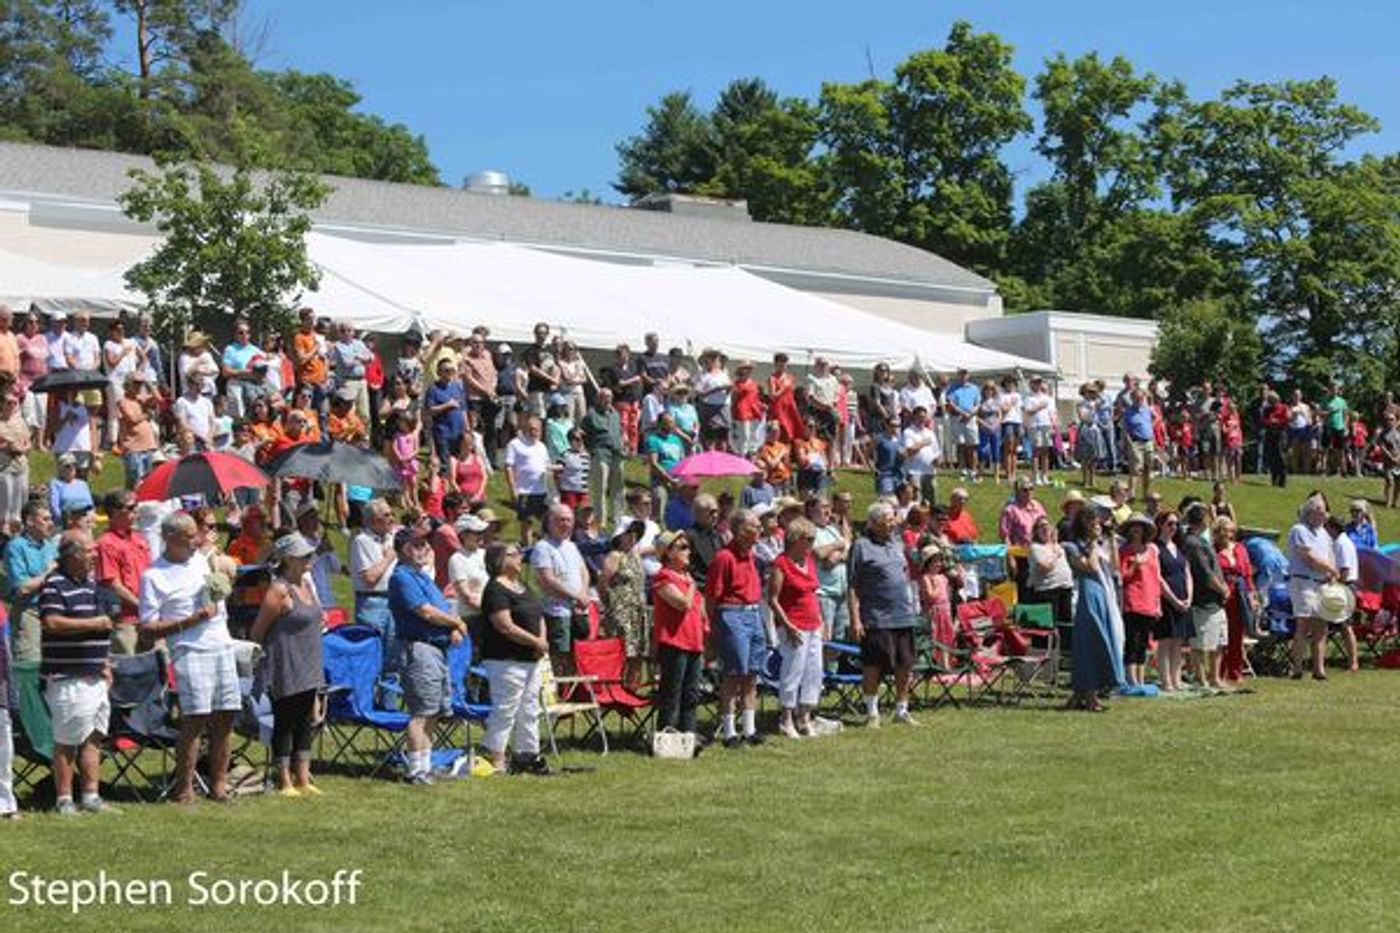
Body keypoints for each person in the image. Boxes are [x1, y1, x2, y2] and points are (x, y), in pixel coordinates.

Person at [139, 512, 239, 804]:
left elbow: (221, 574)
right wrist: (190, 621)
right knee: (194, 720)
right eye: (189, 537)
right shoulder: (154, 576)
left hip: (221, 642)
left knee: (226, 717)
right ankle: (184, 789)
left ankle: (219, 786)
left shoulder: (200, 560)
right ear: (170, 539)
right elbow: (146, 629)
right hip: (189, 650)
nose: (196, 542)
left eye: (197, 535)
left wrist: (221, 580)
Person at [38, 530, 113, 815]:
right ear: (72, 555)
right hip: (67, 676)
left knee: (94, 735)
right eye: (89, 551)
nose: (95, 555)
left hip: (95, 675)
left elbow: (103, 628)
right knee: (67, 740)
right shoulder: (54, 584)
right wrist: (94, 624)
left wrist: (105, 663)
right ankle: (64, 798)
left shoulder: (91, 584)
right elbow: (52, 622)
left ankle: (91, 795)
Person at [249, 534, 325, 797]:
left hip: (309, 659)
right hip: (285, 662)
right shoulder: (279, 590)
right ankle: (284, 779)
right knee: (285, 719)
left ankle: (303, 777)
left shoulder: (306, 584)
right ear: (289, 559)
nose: (309, 559)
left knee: (306, 720)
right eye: (304, 556)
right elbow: (258, 631)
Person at [848, 501, 920, 727]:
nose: (893, 525)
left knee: (905, 664)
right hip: (876, 616)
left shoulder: (897, 544)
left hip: (903, 614)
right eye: (888, 521)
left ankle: (901, 710)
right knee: (874, 664)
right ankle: (872, 713)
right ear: (875, 523)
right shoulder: (861, 546)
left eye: (893, 520)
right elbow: (852, 585)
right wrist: (855, 618)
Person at [479, 542, 549, 774]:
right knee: (506, 708)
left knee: (530, 708)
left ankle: (527, 755)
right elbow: (505, 626)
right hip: (505, 660)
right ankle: (496, 756)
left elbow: (538, 614)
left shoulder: (521, 585)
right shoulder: (495, 590)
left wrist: (542, 641)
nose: (520, 557)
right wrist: (535, 641)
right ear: (500, 560)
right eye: (514, 554)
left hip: (531, 659)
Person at [705, 509, 767, 747]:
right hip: (732, 613)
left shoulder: (750, 555)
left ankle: (749, 729)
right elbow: (713, 596)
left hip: (753, 612)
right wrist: (712, 627)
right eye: (756, 527)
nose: (760, 531)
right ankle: (730, 731)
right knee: (733, 673)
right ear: (742, 531)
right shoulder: (724, 557)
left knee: (751, 673)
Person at [1062, 507, 1124, 710]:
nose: (1098, 526)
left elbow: (1115, 568)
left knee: (1103, 640)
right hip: (1087, 594)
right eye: (1094, 523)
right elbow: (1089, 566)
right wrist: (1093, 546)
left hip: (1104, 594)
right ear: (1084, 524)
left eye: (1099, 523)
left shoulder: (1099, 545)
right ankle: (1089, 697)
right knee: (1090, 642)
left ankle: (1081, 696)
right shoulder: (1073, 546)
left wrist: (1112, 539)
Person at [767, 517, 823, 739]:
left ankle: (805, 716)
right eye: (808, 539)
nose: (811, 543)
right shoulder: (781, 563)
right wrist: (788, 625)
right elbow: (772, 598)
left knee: (814, 670)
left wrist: (822, 621)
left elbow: (813, 592)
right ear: (796, 539)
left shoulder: (808, 561)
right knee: (793, 671)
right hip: (793, 624)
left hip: (813, 623)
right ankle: (786, 718)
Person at [651, 531, 707, 735]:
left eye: (687, 546)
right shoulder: (663, 577)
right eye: (682, 547)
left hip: (693, 642)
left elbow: (699, 610)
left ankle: (688, 736)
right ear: (668, 553)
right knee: (672, 693)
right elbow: (683, 604)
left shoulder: (686, 577)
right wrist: (692, 585)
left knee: (691, 694)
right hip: (674, 642)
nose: (688, 551)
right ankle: (666, 736)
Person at [530, 505, 590, 675]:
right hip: (557, 610)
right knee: (559, 653)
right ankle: (556, 689)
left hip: (578, 609)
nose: (566, 524)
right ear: (549, 522)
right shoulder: (543, 547)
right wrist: (575, 596)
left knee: (574, 652)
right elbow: (547, 579)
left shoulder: (571, 546)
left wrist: (583, 594)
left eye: (569, 520)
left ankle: (571, 690)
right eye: (561, 520)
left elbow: (583, 570)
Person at [94, 490, 150, 656]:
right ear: (115, 511)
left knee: (159, 668)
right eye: (131, 508)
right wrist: (141, 605)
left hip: (149, 617)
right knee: (130, 671)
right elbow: (112, 584)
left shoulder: (139, 538)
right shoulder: (106, 543)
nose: (136, 512)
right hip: (126, 621)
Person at [1287, 494, 1337, 680]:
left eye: (1324, 513)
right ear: (1310, 513)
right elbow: (1309, 558)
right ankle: (1297, 668)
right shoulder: (1299, 530)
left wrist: (1332, 573)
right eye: (1321, 513)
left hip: (1321, 583)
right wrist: (1330, 569)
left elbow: (1330, 554)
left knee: (1321, 626)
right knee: (1303, 624)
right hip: (1303, 581)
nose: (1325, 517)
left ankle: (1319, 668)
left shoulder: (1324, 533)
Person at [1181, 503, 1229, 691]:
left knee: (1218, 642)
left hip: (1215, 601)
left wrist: (1223, 588)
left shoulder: (1202, 541)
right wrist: (1222, 589)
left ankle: (1215, 678)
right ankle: (1201, 679)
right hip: (1203, 601)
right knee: (1200, 644)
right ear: (1204, 519)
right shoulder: (1193, 542)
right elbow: (1204, 574)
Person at [599, 521, 648, 684]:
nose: (632, 537)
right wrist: (612, 606)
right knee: (621, 652)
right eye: (629, 533)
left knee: (637, 655)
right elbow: (603, 584)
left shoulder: (636, 556)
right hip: (620, 613)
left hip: (638, 612)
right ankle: (615, 687)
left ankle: (631, 689)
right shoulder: (614, 556)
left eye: (635, 534)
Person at [1118, 514, 1162, 688]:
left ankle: (1141, 679)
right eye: (1133, 526)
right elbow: (1122, 578)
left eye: (1140, 526)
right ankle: (1131, 679)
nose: (1136, 529)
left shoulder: (1151, 550)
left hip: (1150, 601)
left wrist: (1158, 603)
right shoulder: (1124, 551)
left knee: (1144, 642)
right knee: (1132, 641)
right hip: (1132, 601)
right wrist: (1134, 566)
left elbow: (1156, 577)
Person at [1214, 517, 1256, 686]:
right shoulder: (1214, 550)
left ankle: (1235, 672)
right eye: (1225, 532)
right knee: (1222, 636)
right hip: (1222, 594)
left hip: (1239, 594)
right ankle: (1219, 672)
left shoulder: (1240, 549)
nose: (1229, 535)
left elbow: (1247, 574)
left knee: (1237, 635)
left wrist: (1252, 595)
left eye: (1231, 531)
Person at [349, 499, 396, 648]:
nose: (392, 518)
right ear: (374, 520)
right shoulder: (362, 541)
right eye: (387, 515)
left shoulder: (391, 539)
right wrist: (388, 558)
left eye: (392, 514)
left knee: (392, 650)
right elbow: (369, 578)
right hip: (372, 603)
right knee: (372, 648)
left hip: (394, 600)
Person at [580, 387, 625, 530]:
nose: (608, 400)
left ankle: (617, 518)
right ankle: (601, 520)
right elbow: (582, 435)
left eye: (610, 397)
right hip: (600, 453)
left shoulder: (615, 414)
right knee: (600, 488)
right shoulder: (591, 415)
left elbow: (619, 431)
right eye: (604, 397)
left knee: (618, 488)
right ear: (598, 399)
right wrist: (591, 451)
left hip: (617, 453)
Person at [504, 414, 551, 544]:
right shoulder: (515, 444)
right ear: (525, 428)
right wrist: (512, 488)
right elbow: (508, 467)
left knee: (547, 519)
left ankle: (544, 543)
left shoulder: (542, 446)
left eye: (537, 429)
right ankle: (527, 547)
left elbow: (547, 466)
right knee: (527, 521)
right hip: (523, 490)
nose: (534, 432)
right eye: (531, 429)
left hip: (541, 490)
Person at [1327, 515, 1360, 673]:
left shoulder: (1342, 544)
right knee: (1341, 626)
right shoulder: (1341, 542)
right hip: (1345, 586)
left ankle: (1353, 662)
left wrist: (1333, 585)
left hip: (1346, 587)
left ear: (1333, 528)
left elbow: (1345, 571)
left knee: (1346, 627)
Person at [1026, 517, 1073, 625]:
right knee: (1046, 626)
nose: (1045, 528)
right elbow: (1045, 566)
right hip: (1047, 591)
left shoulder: (1057, 546)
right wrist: (1056, 554)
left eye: (1047, 525)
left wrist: (1055, 546)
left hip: (1065, 588)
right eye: (1041, 526)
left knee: (1066, 624)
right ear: (1036, 531)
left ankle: (1065, 642)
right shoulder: (1035, 548)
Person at [116, 374, 158, 489]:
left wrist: (149, 384)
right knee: (134, 478)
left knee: (148, 478)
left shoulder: (141, 400)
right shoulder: (122, 401)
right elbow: (132, 419)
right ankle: (130, 501)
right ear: (128, 384)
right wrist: (147, 414)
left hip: (147, 445)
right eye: (135, 383)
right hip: (132, 446)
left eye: (140, 384)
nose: (138, 386)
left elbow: (158, 399)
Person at [0, 385, 29, 534]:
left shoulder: (20, 422)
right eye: (9, 403)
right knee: (6, 498)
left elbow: (27, 441)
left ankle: (18, 527)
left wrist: (22, 448)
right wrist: (6, 446)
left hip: (21, 464)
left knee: (21, 495)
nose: (12, 406)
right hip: (4, 466)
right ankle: (4, 528)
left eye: (15, 403)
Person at [900, 406, 940, 505]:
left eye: (924, 417)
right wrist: (923, 443)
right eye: (920, 417)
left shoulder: (930, 433)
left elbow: (937, 452)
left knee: (931, 500)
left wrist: (937, 460)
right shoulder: (908, 432)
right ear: (914, 417)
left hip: (929, 471)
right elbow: (909, 451)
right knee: (916, 500)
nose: (922, 420)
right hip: (914, 471)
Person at [1023, 376, 1055, 486]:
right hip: (1034, 425)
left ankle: (1044, 475)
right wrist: (1039, 407)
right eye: (1035, 382)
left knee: (1045, 451)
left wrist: (1054, 425)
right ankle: (1035, 476)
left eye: (1039, 382)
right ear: (1031, 384)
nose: (1037, 384)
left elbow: (1052, 412)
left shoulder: (1048, 398)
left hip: (1046, 425)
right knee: (1036, 451)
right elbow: (1028, 411)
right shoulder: (1028, 398)